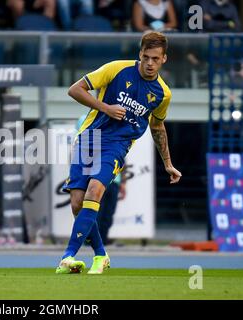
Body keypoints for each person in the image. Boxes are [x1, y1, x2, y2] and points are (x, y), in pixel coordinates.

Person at [58, 31, 182, 274]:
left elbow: (157, 126)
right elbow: (75, 89)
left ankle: (67, 256)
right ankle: (101, 255)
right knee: (76, 203)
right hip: (89, 138)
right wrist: (105, 108)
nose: (149, 63)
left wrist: (167, 162)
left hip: (117, 144)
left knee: (95, 190)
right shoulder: (116, 69)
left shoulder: (162, 94)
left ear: (164, 59)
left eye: (155, 59)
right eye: (146, 57)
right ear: (140, 54)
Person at [75, 114, 127, 246]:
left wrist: (124, 182)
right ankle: (90, 240)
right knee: (95, 211)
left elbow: (122, 157)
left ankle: (102, 241)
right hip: (94, 177)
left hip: (114, 179)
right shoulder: (84, 118)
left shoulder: (115, 118)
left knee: (108, 213)